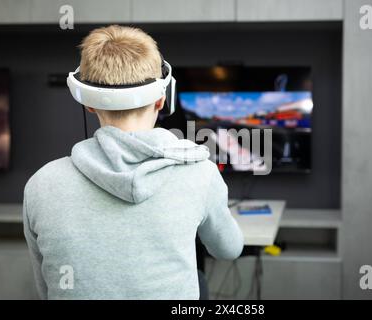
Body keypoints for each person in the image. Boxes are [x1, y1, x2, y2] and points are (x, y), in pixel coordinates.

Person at [23, 25, 243, 299]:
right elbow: (229, 249)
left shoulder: (41, 184)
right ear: (163, 99)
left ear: (87, 102)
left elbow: (46, 288)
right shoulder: (200, 173)